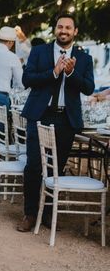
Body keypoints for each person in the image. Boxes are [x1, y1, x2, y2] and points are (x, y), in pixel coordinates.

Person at [16, 14, 95, 232]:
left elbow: (88, 87)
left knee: (56, 169)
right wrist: (54, 72)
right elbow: (27, 79)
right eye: (60, 26)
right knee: (34, 166)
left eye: (68, 28)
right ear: (55, 29)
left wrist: (70, 73)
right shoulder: (39, 51)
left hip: (65, 119)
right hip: (39, 114)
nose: (64, 30)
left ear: (75, 32)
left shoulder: (84, 58)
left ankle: (49, 214)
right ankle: (30, 214)